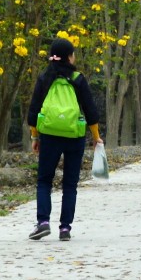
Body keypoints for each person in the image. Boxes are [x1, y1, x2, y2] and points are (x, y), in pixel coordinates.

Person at [24, 36, 103, 241]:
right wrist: (96, 137)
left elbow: (33, 111)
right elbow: (91, 112)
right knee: (70, 184)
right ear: (69, 57)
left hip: (49, 135)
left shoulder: (44, 78)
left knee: (44, 180)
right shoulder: (78, 79)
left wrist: (35, 136)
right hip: (74, 135)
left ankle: (43, 222)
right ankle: (65, 228)